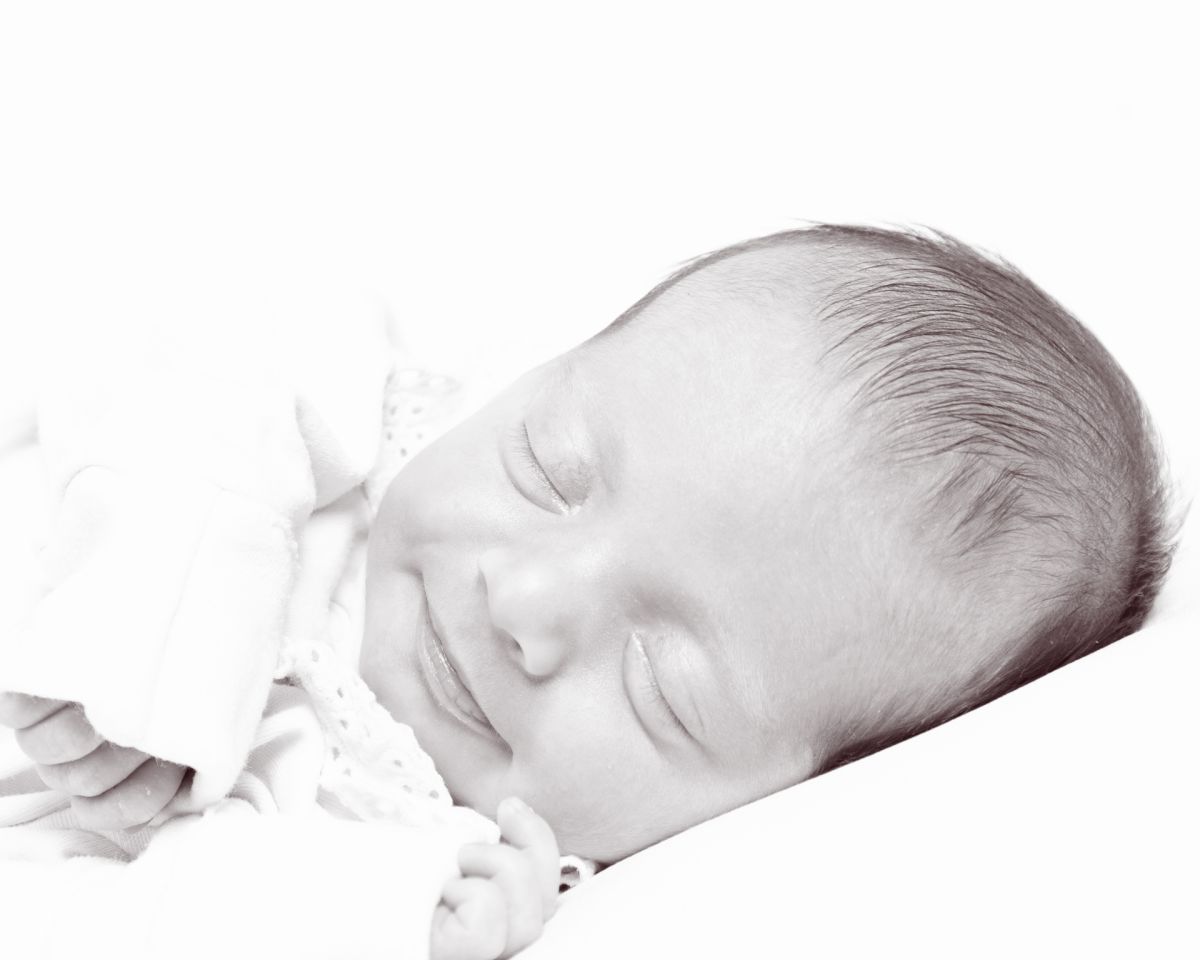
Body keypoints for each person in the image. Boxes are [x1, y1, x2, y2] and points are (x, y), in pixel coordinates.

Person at [0, 224, 1175, 958]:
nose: (527, 606)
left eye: (660, 680)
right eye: (550, 471)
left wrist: (369, 919)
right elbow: (178, 351)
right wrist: (162, 587)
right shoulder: (349, 407)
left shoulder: (431, 861)